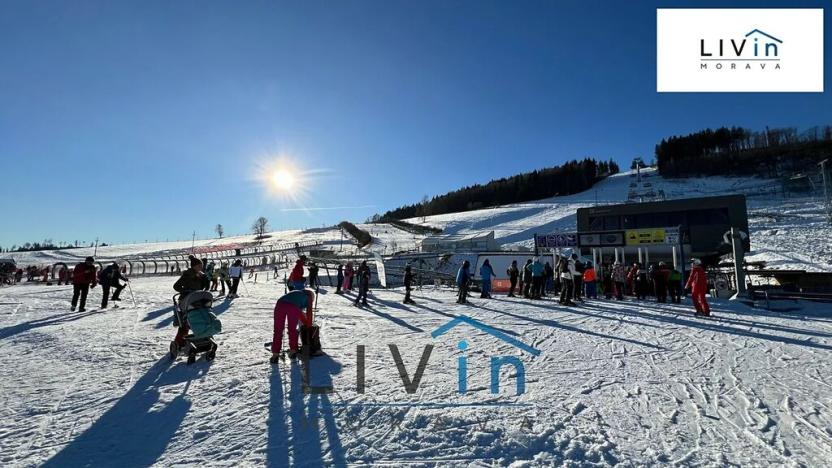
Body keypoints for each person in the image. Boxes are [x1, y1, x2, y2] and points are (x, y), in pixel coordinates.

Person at [172, 257, 210, 349]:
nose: (201, 267)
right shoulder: (187, 275)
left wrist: (205, 279)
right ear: (194, 266)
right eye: (199, 265)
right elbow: (176, 286)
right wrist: (186, 291)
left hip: (196, 300)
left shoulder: (201, 275)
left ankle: (202, 338)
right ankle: (179, 342)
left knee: (198, 320)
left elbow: (206, 287)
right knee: (185, 323)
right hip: (186, 300)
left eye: (202, 265)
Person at [270, 289, 314, 363]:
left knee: (278, 330)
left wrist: (305, 321)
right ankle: (293, 351)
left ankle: (275, 355)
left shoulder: (296, 292)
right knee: (292, 330)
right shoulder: (309, 297)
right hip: (293, 307)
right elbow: (308, 313)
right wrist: (308, 324)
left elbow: (300, 313)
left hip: (280, 304)